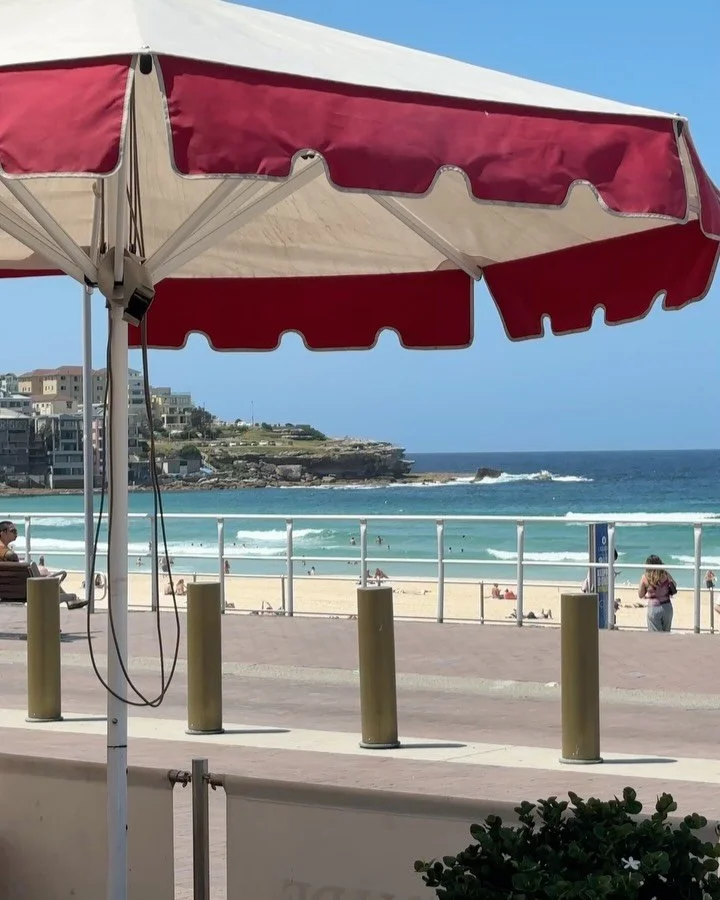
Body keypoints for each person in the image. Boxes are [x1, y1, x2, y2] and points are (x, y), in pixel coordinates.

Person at [0, 521, 86, 609]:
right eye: (13, 531)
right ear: (3, 532)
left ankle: (69, 599)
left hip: (6, 590)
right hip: (23, 590)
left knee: (42, 571)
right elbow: (16, 568)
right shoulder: (7, 553)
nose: (16, 533)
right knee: (46, 574)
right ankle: (70, 599)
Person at [638, 554, 676, 632]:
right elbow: (674, 584)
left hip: (653, 608)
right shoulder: (665, 574)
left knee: (655, 638)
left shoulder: (645, 577)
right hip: (667, 607)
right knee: (666, 634)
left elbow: (640, 595)